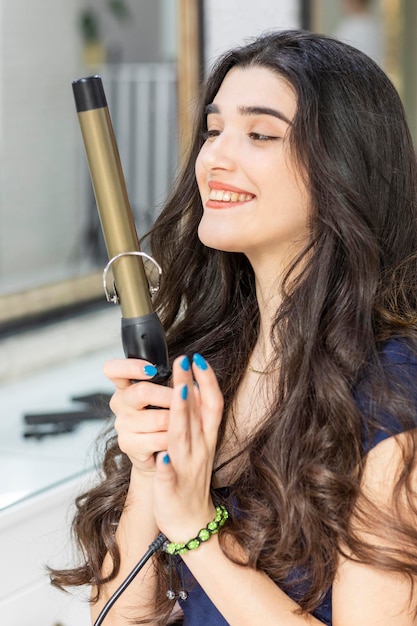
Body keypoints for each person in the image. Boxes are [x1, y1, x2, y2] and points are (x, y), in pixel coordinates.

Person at [50, 29, 417, 625]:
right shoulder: (210, 358)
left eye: (261, 134)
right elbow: (119, 619)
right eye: (213, 131)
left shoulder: (392, 396)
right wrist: (151, 471)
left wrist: (198, 527)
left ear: (345, 167)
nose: (215, 157)